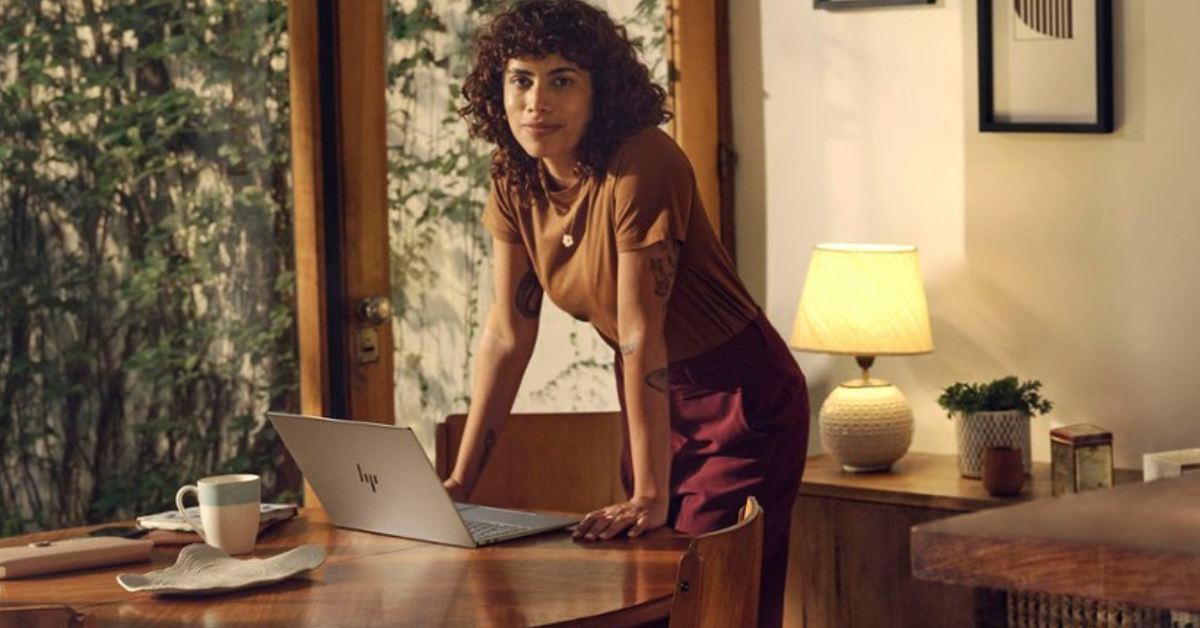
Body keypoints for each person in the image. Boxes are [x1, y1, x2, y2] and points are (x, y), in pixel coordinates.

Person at [443, 2, 809, 627]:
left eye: (562, 79)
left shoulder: (643, 162)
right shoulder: (513, 177)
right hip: (650, 392)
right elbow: (507, 332)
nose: (537, 101)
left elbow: (642, 330)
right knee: (646, 584)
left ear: (598, 92)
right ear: (496, 89)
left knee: (710, 597)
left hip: (740, 396)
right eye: (521, 79)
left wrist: (648, 491)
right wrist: (456, 486)